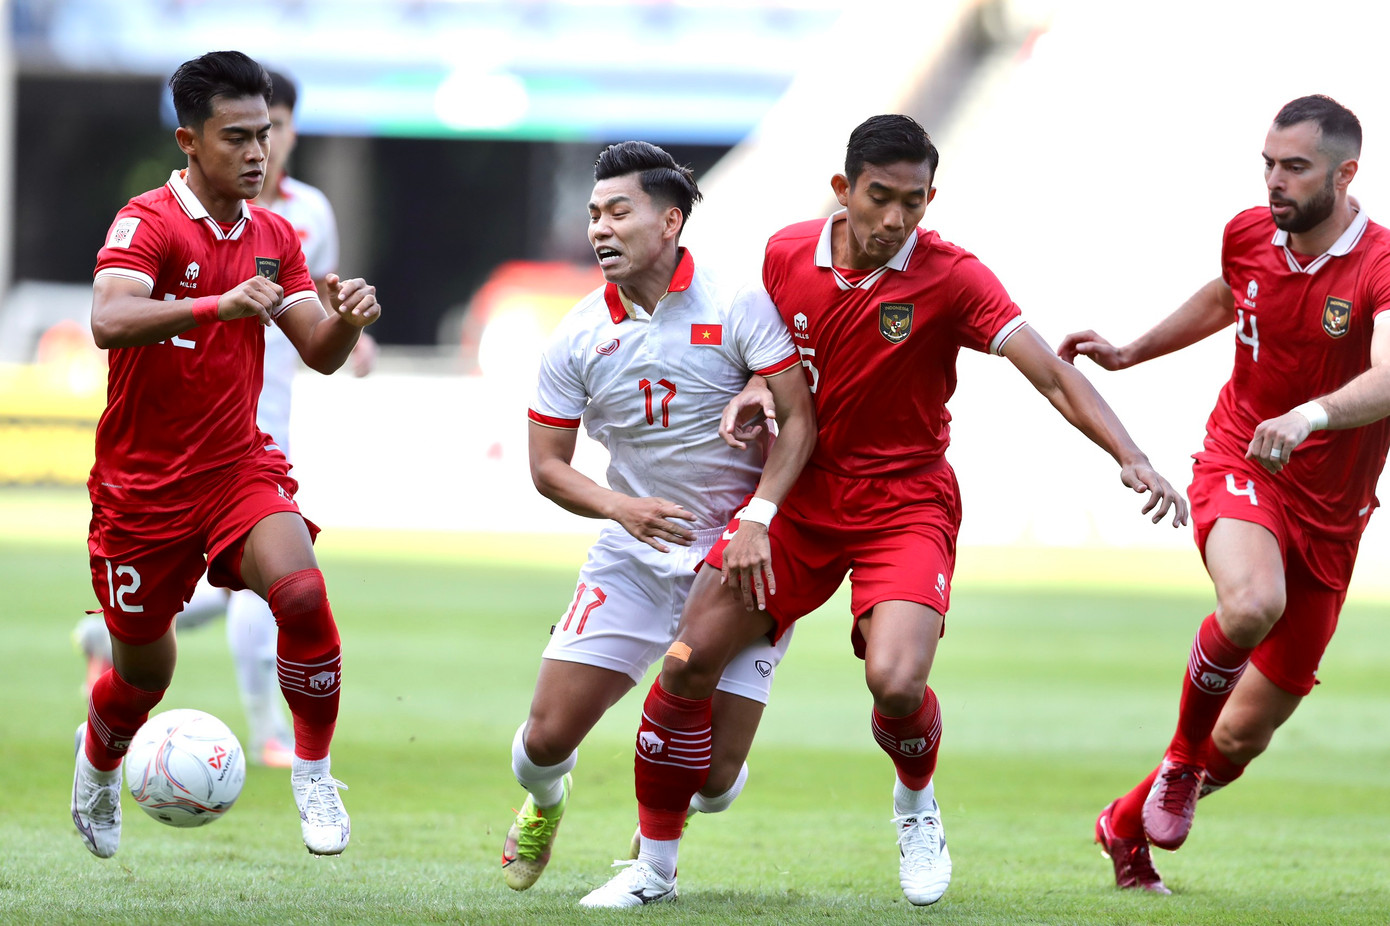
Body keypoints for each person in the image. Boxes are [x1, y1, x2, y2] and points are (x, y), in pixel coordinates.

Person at [579, 114, 1188, 909]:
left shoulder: (953, 277)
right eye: (880, 198)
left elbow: (1050, 372)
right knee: (689, 660)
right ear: (843, 190)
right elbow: (764, 362)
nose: (896, 219)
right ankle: (654, 870)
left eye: (914, 201)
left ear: (931, 198)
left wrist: (1131, 454)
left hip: (905, 502)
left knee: (897, 683)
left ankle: (915, 805)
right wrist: (758, 391)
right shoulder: (785, 253)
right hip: (798, 495)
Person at [1060, 94, 1390, 894]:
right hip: (1242, 460)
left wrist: (1311, 416)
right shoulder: (1248, 232)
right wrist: (1134, 350)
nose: (1275, 182)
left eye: (1295, 168)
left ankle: (1125, 825)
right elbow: (1226, 295)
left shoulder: (1378, 264)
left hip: (1334, 510)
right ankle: (1178, 763)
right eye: (1268, 164)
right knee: (1249, 605)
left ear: (1345, 174)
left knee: (1241, 739)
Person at [72, 50, 381, 860]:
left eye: (266, 134)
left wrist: (348, 318)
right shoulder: (148, 221)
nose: (258, 152)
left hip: (237, 465)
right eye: (237, 136)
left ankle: (311, 774)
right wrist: (217, 302)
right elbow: (108, 316)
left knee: (303, 593)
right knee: (143, 677)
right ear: (188, 140)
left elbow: (316, 347)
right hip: (140, 491)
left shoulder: (278, 234)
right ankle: (100, 761)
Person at [501, 140, 815, 893]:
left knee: (711, 783)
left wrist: (758, 519)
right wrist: (622, 509)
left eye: (618, 212)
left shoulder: (737, 301)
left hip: (742, 562)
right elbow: (546, 467)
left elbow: (800, 416)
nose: (600, 229)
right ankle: (546, 804)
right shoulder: (577, 334)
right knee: (543, 742)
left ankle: (654, 861)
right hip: (633, 558)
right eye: (593, 215)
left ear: (670, 221)